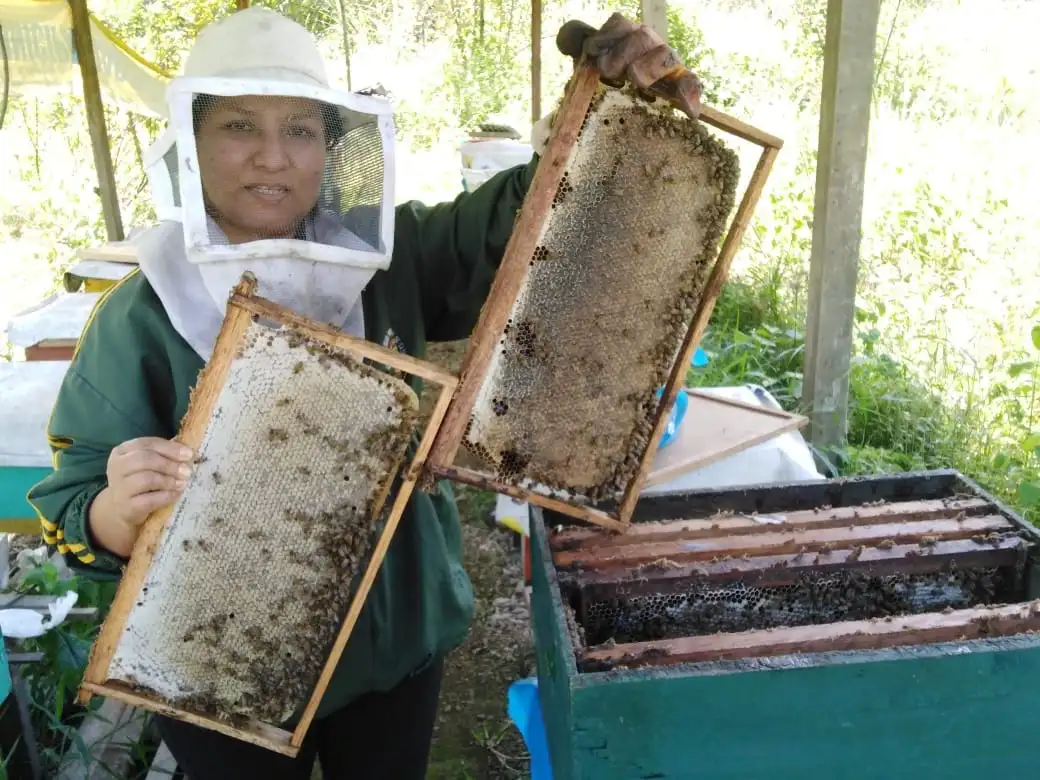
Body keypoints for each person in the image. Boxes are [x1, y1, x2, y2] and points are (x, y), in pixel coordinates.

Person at [27, 7, 702, 779]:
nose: (272, 157)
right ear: (190, 141)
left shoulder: (389, 258)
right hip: (220, 669)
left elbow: (519, 228)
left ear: (333, 145)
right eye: (239, 127)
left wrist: (598, 113)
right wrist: (115, 514)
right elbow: (71, 495)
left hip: (393, 640)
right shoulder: (141, 315)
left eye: (302, 130)